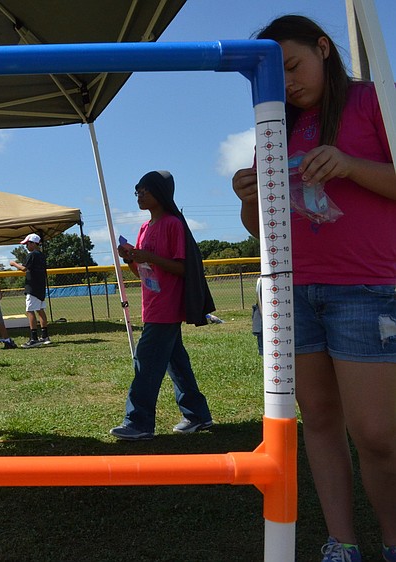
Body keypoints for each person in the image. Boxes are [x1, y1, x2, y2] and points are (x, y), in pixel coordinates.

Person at [232, 15, 396, 562]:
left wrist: (349, 165)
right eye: (275, 76)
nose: (289, 83)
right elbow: (261, 230)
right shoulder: (272, 127)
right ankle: (342, 542)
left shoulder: (375, 101)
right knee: (319, 421)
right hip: (293, 294)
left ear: (324, 48)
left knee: (376, 435)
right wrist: (248, 198)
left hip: (367, 288)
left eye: (294, 66)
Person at [109, 170, 214, 442]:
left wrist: (150, 256)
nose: (140, 195)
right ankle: (197, 415)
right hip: (152, 304)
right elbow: (144, 272)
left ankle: (139, 422)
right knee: (175, 361)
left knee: (146, 364)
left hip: (167, 307)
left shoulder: (172, 224)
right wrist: (131, 259)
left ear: (161, 193)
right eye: (137, 191)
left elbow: (182, 267)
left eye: (146, 190)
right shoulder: (144, 228)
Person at [9, 233, 50, 347]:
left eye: (28, 243)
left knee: (29, 311)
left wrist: (14, 264)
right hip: (40, 286)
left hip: (32, 287)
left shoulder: (32, 255)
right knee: (40, 310)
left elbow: (24, 268)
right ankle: (45, 336)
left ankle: (34, 338)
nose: (26, 246)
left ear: (33, 243)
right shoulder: (41, 255)